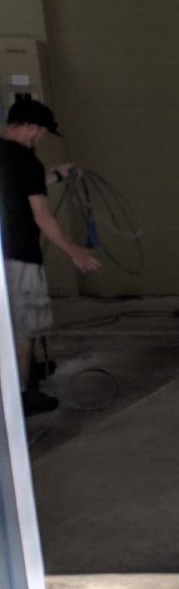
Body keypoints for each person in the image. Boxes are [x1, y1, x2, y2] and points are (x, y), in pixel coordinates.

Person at [0, 98, 100, 415]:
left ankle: (19, 378)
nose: (41, 139)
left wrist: (57, 174)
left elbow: (19, 187)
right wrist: (74, 252)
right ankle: (22, 394)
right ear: (30, 128)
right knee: (25, 327)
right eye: (41, 132)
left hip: (3, 253)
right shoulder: (27, 162)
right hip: (20, 256)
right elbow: (42, 215)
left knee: (9, 325)